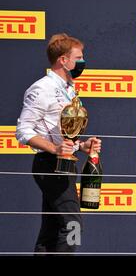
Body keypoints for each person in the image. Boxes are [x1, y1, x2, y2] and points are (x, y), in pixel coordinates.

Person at [16, 33, 102, 254]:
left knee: (51, 230)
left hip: (65, 164)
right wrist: (54, 149)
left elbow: (64, 133)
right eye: (79, 57)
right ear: (64, 60)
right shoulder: (41, 88)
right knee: (73, 225)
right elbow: (23, 131)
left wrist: (79, 146)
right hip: (49, 164)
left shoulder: (69, 89)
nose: (82, 63)